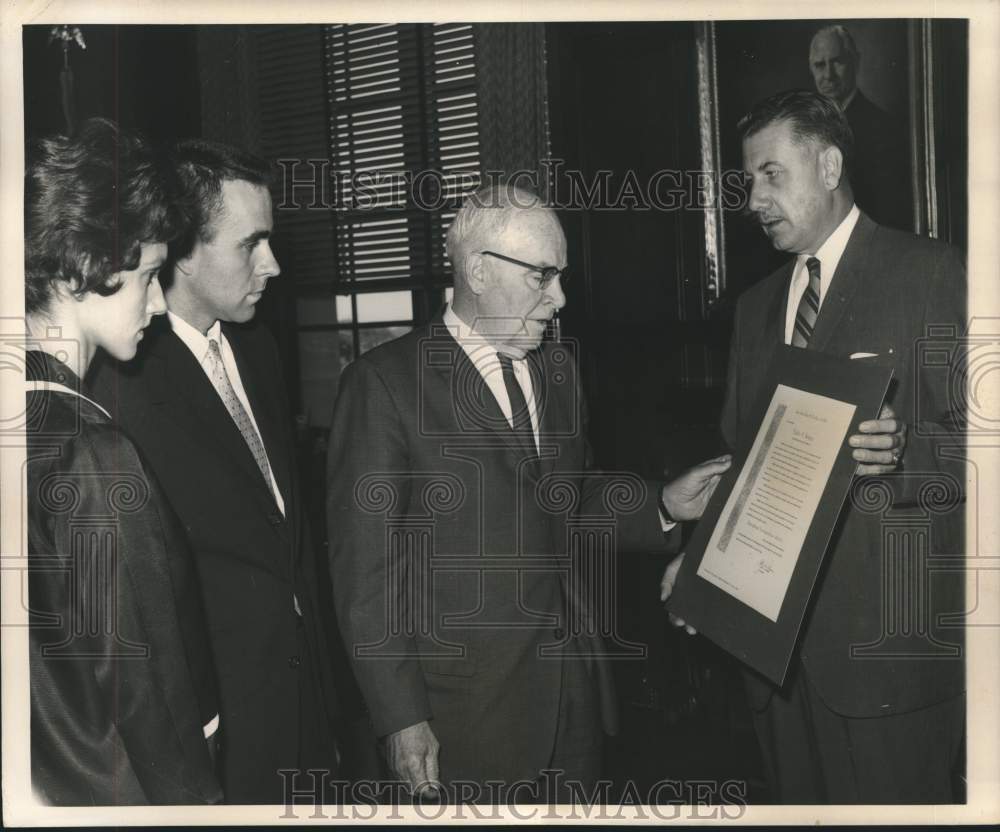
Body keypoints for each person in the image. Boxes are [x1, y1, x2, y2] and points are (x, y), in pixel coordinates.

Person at [327, 182, 732, 802]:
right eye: (543, 276)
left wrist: (662, 504)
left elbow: (569, 499)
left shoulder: (558, 369)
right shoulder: (383, 386)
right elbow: (367, 579)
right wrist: (400, 717)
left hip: (573, 694)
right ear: (479, 271)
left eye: (561, 276)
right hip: (463, 713)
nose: (560, 298)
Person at [663, 90, 965, 803]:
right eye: (747, 181)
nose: (754, 199)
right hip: (771, 663)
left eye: (772, 175)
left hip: (887, 665)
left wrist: (905, 455)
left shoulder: (930, 274)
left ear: (829, 165)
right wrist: (699, 562)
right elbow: (749, 460)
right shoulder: (755, 307)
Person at [90, 139, 340, 804]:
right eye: (250, 245)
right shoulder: (122, 385)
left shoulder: (257, 345)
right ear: (181, 254)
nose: (274, 265)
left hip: (306, 713)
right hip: (221, 740)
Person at [24, 118, 222, 805]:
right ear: (85, 270)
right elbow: (147, 686)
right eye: (147, 276)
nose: (161, 302)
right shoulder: (92, 453)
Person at [808, 24, 912, 230]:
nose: (828, 74)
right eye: (820, 65)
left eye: (837, 62)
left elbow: (887, 211)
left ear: (855, 62)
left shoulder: (884, 128)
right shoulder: (809, 126)